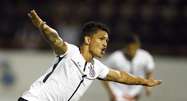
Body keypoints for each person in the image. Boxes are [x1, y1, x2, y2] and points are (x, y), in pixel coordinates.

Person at [18, 10, 161, 101]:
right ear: (88, 39)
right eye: (101, 39)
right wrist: (42, 26)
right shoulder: (70, 52)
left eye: (107, 40)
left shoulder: (97, 68)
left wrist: (144, 81)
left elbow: (121, 76)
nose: (105, 44)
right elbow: (55, 39)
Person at [102, 35, 156, 101]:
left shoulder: (145, 56)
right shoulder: (115, 57)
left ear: (137, 46)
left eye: (133, 48)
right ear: (125, 47)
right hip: (118, 95)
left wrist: (148, 87)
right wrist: (111, 93)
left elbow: (149, 72)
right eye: (129, 49)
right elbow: (103, 75)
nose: (131, 51)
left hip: (134, 95)